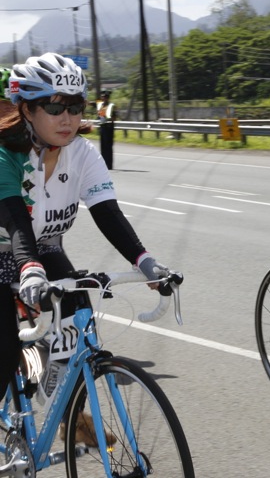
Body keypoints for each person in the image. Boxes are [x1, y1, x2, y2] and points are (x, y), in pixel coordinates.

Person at [0, 53, 171, 446]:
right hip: (10, 248)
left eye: (75, 107)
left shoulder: (83, 152)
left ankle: (69, 414)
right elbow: (15, 220)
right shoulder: (6, 154)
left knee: (79, 318)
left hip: (42, 248)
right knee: (4, 353)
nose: (68, 118)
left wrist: (145, 262)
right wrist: (29, 269)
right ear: (25, 109)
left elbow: (108, 214)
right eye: (54, 106)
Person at [96, 89, 116, 169]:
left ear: (108, 98)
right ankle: (104, 164)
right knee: (103, 147)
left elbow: (114, 117)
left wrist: (108, 119)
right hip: (102, 127)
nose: (104, 98)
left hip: (108, 127)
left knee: (108, 147)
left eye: (105, 97)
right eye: (103, 97)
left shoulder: (111, 106)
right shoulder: (101, 105)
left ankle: (109, 165)